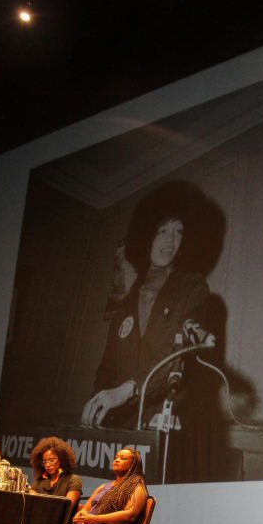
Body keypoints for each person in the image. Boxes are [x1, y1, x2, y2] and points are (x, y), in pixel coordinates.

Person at [81, 183, 210, 429]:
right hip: (121, 427)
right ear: (146, 234)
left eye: (179, 232)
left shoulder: (192, 286)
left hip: (165, 424)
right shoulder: (126, 303)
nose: (171, 241)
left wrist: (129, 390)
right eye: (162, 231)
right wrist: (96, 406)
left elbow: (181, 354)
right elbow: (107, 369)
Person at [28, 436, 83, 521]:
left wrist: (39, 498)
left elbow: (65, 508)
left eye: (51, 460)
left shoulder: (73, 480)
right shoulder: (41, 480)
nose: (47, 465)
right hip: (39, 521)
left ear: (62, 459)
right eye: (45, 461)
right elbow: (30, 500)